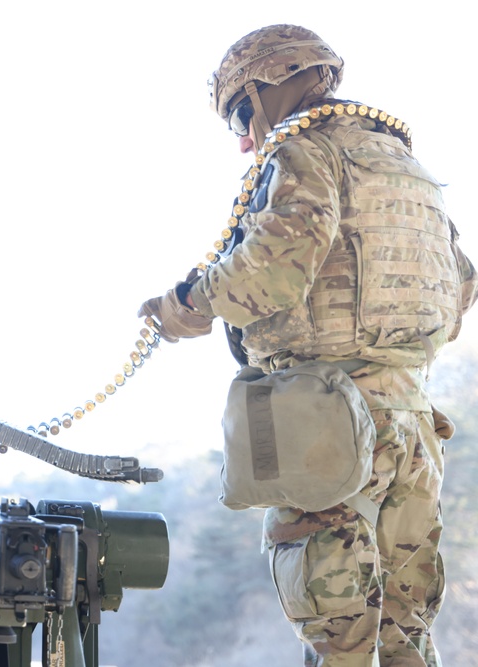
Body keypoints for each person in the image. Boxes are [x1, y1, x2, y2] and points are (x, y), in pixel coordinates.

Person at [137, 25, 477, 667]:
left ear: (271, 86)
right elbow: (460, 287)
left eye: (242, 112)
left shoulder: (303, 151)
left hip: (330, 423)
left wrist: (189, 304)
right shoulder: (405, 167)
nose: (244, 138)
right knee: (408, 633)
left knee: (339, 634)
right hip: (413, 425)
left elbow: (275, 267)